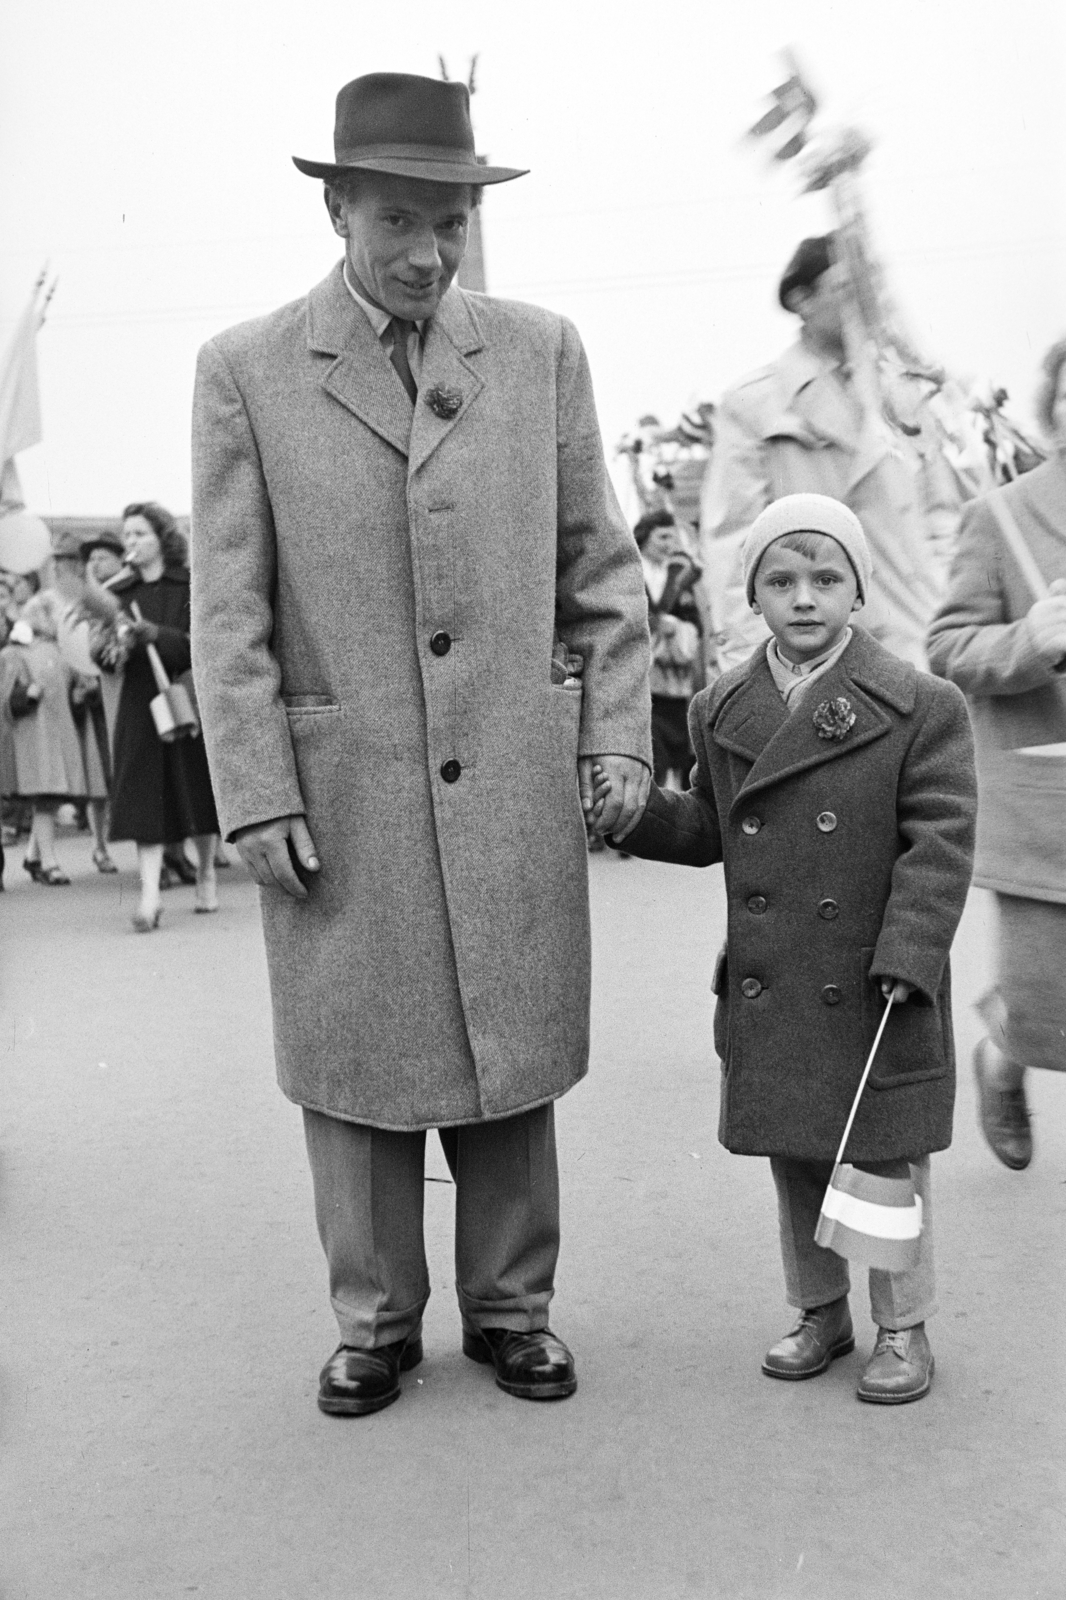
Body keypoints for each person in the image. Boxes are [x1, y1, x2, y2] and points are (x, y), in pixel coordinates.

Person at [191, 72, 651, 1417]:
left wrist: (614, 733)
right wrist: (254, 787)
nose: (429, 251)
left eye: (449, 221)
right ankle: (375, 1320)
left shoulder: (540, 349)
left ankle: (513, 1310)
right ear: (336, 208)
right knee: (356, 1066)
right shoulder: (247, 371)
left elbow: (603, 570)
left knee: (507, 1049)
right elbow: (229, 607)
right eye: (399, 219)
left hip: (507, 763)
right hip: (342, 783)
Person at [600, 493, 976, 1403]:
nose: (803, 598)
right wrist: (637, 813)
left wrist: (910, 953)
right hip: (776, 981)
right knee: (798, 1156)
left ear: (858, 592)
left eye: (824, 578)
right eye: (781, 580)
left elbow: (942, 841)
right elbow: (712, 829)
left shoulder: (923, 705)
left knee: (882, 1161)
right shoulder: (723, 706)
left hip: (877, 978)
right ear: (754, 595)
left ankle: (902, 1327)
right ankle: (821, 1311)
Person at [927, 338, 1066, 1170]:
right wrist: (1027, 640)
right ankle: (1003, 1054)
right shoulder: (1004, 516)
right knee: (1050, 1013)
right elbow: (947, 647)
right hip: (1045, 806)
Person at [699, 236, 942, 671]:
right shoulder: (755, 405)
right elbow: (733, 548)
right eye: (846, 288)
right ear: (802, 301)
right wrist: (753, 671)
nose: (866, 304)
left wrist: (944, 615)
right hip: (816, 657)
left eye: (871, 288)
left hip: (918, 647)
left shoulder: (906, 395)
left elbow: (944, 516)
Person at [107, 501, 221, 930]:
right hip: (140, 704)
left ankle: (206, 871)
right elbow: (103, 657)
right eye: (127, 534)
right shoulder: (118, 593)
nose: (131, 541)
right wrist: (110, 649)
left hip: (185, 695)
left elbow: (202, 645)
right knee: (143, 797)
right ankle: (150, 896)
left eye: (140, 533)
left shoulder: (190, 586)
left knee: (195, 789)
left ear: (162, 539)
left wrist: (158, 635)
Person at [0, 591, 89, 885]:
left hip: (56, 737)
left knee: (50, 798)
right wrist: (26, 694)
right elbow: (6, 702)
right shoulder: (16, 653)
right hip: (34, 739)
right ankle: (49, 862)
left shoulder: (60, 653)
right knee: (45, 799)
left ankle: (35, 856)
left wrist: (79, 694)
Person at [635, 510, 703, 789]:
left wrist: (675, 626)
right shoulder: (631, 570)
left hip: (675, 677)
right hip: (642, 676)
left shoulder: (680, 575)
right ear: (644, 536)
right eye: (662, 536)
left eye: (671, 538)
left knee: (677, 740)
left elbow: (695, 621)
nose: (667, 544)